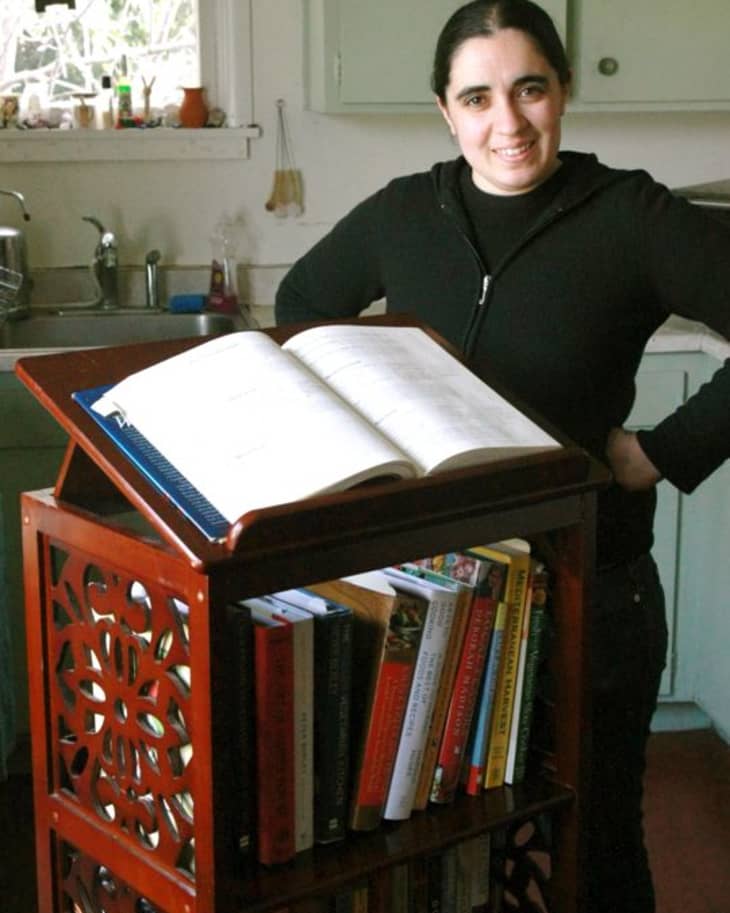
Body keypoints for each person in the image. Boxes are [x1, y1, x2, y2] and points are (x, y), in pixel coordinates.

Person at [275, 1, 730, 910]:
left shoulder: (631, 215)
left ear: (562, 91)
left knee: (595, 847)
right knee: (433, 850)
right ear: (446, 111)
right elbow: (300, 305)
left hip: (590, 593)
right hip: (429, 596)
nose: (507, 122)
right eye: (476, 97)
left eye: (529, 89)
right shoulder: (406, 211)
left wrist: (659, 451)